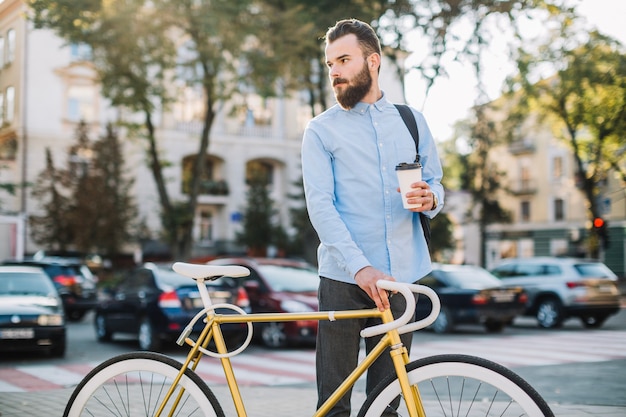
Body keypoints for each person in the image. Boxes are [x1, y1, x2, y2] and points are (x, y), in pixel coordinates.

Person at [301, 18, 444, 417]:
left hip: (401, 279)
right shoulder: (320, 131)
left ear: (373, 61)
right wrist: (361, 267)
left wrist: (430, 196)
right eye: (330, 63)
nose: (335, 72)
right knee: (334, 405)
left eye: (343, 60)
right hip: (344, 279)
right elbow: (321, 207)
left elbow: (436, 185)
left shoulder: (412, 122)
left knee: (387, 405)